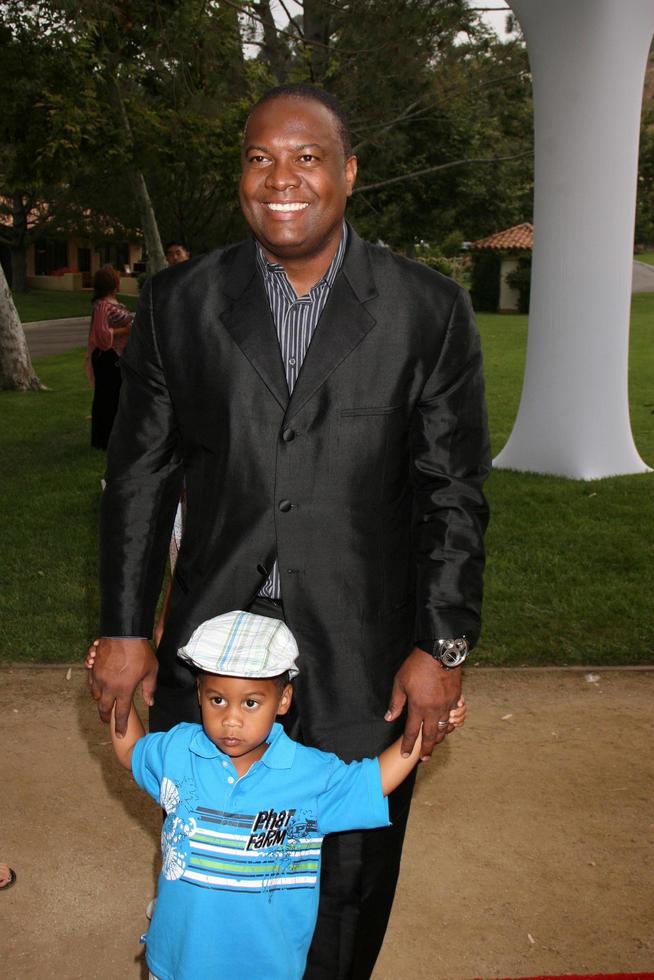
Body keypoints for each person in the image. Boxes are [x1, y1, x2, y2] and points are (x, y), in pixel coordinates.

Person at [91, 82, 490, 978]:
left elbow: (452, 491)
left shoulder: (427, 310)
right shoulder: (176, 303)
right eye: (261, 156)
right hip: (214, 645)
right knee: (214, 862)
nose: (283, 178)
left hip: (363, 648)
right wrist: (123, 630)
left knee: (349, 872)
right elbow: (140, 479)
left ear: (348, 172)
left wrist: (443, 646)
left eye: (307, 157)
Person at [85, 611, 466, 980]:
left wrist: (426, 729)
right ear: (199, 693)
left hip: (266, 969)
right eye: (218, 699)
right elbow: (130, 749)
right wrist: (117, 687)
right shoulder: (178, 752)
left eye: (251, 702)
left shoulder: (309, 774)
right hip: (175, 964)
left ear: (283, 700)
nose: (231, 719)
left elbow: (372, 780)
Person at [85, 265, 134, 450]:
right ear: (111, 282)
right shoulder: (102, 306)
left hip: (119, 356)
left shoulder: (114, 302)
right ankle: (102, 440)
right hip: (107, 357)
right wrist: (126, 330)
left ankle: (116, 437)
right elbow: (101, 336)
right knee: (106, 399)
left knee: (118, 398)